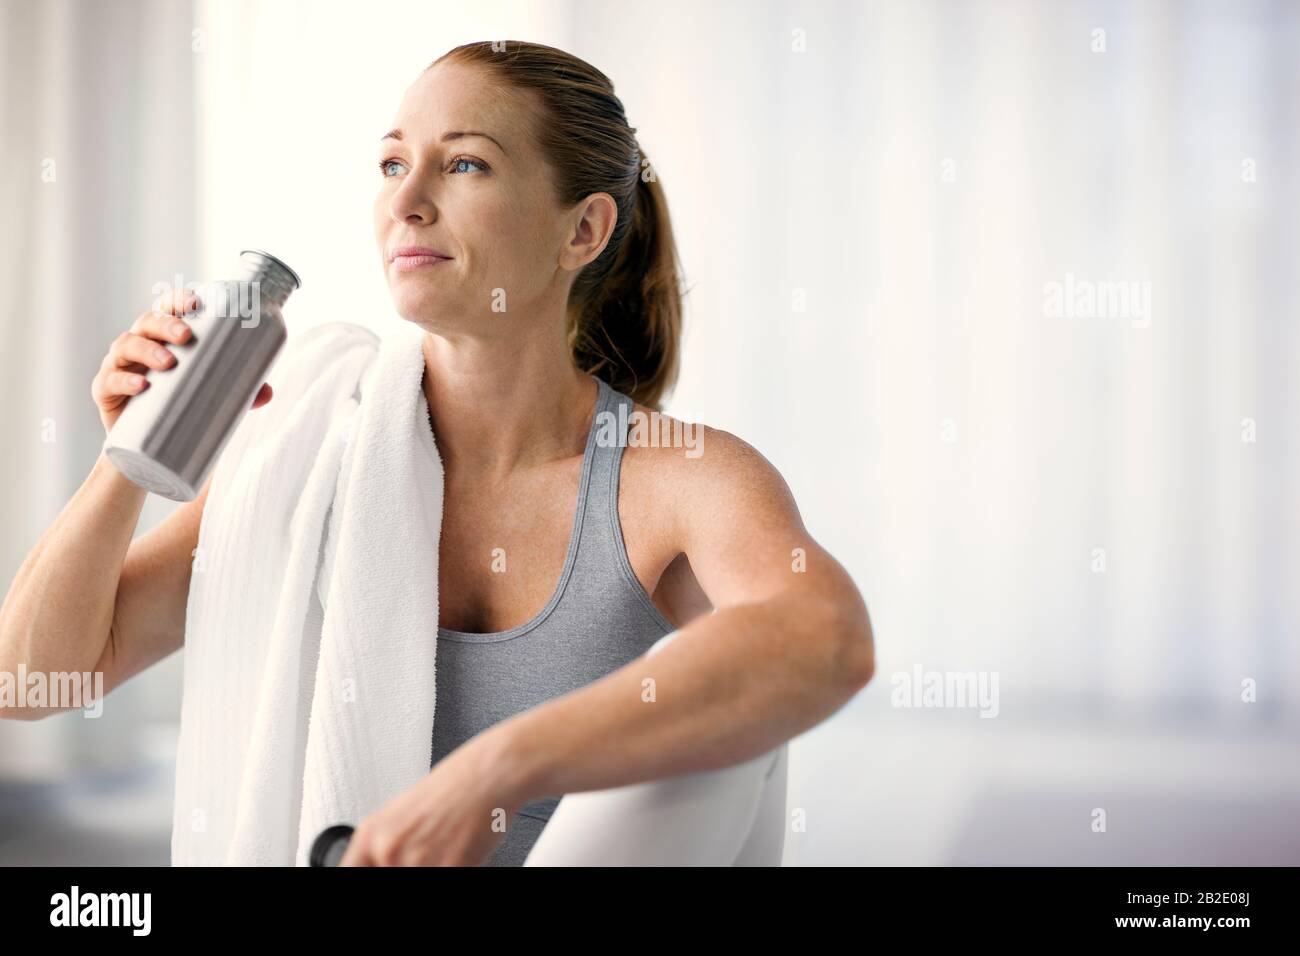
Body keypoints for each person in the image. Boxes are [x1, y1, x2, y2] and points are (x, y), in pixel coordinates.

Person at [0, 40, 874, 866]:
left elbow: (830, 640)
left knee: (715, 715)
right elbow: (32, 682)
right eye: (391, 163)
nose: (405, 199)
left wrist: (501, 766)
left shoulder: (680, 476)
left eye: (464, 163)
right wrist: (127, 452)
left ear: (584, 231)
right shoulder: (314, 451)